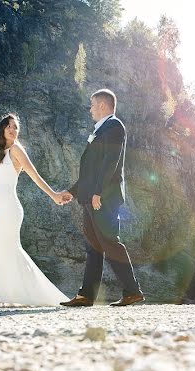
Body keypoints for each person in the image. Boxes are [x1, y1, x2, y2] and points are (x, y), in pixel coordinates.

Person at [57, 89, 145, 307]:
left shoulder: (115, 126)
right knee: (93, 247)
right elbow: (91, 170)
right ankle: (86, 296)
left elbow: (110, 161)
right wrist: (73, 191)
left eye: (93, 105)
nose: (90, 109)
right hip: (90, 196)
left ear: (103, 106)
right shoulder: (102, 129)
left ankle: (133, 291)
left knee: (109, 242)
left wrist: (98, 192)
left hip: (103, 197)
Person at [0, 113, 69, 307]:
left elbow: (34, 175)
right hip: (0, 210)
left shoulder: (16, 150)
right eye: (9, 127)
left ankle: (36, 294)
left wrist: (54, 195)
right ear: (2, 130)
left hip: (12, 210)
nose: (13, 130)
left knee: (11, 250)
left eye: (16, 127)